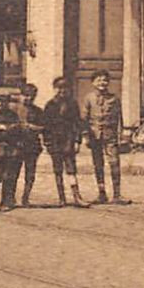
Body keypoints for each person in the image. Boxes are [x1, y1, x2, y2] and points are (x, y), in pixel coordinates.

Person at [81, 71, 126, 204]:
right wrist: (85, 136)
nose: (102, 83)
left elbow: (119, 118)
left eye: (105, 80)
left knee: (114, 163)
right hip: (94, 135)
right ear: (93, 83)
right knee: (98, 164)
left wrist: (122, 135)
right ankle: (101, 193)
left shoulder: (114, 99)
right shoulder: (88, 98)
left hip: (110, 135)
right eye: (99, 80)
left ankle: (117, 194)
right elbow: (84, 119)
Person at [42, 77, 86, 207]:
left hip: (68, 139)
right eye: (59, 88)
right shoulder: (50, 105)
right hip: (54, 141)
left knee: (71, 168)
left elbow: (77, 124)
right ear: (54, 89)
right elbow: (46, 126)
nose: (62, 91)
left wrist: (78, 141)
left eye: (65, 88)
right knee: (57, 169)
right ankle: (62, 197)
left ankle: (76, 196)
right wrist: (47, 142)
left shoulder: (73, 104)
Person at [0, 98, 25, 212]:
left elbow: (18, 129)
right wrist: (3, 128)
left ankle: (5, 201)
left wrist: (6, 129)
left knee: (7, 176)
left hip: (10, 149)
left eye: (3, 102)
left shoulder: (12, 115)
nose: (0, 104)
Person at [11, 82, 44, 207]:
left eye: (32, 96)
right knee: (14, 172)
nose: (28, 99)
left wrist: (32, 127)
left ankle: (26, 197)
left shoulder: (38, 111)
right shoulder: (14, 109)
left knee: (30, 173)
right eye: (26, 95)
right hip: (17, 144)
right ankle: (11, 197)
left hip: (32, 145)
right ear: (20, 95)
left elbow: (43, 127)